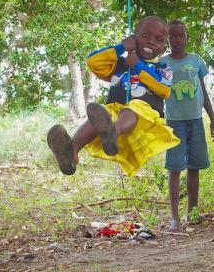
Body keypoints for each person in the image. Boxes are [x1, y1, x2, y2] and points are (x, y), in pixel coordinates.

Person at [47, 16, 180, 177]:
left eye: (158, 40)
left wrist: (138, 65)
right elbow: (93, 62)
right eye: (145, 35)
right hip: (116, 114)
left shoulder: (163, 68)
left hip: (144, 119)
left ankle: (111, 133)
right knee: (103, 113)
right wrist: (121, 47)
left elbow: (164, 90)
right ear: (134, 38)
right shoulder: (120, 64)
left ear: (163, 47)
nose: (151, 41)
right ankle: (71, 152)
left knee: (133, 108)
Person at [160, 19, 214, 232]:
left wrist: (212, 119)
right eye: (172, 36)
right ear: (167, 40)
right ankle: (174, 216)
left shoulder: (196, 61)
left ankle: (192, 211)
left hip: (196, 120)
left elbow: (203, 91)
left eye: (180, 35)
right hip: (174, 122)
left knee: (195, 167)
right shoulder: (163, 63)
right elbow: (159, 92)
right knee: (174, 168)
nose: (176, 39)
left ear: (186, 37)